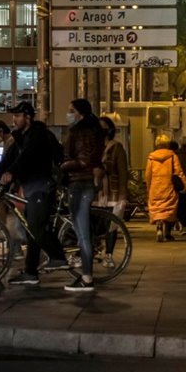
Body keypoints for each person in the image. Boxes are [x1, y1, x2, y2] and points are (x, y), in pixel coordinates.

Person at [0, 102, 69, 286]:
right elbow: (7, 161)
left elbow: (26, 157)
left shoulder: (38, 135)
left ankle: (58, 257)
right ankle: (31, 272)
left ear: (28, 117)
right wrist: (1, 171)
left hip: (42, 186)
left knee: (35, 226)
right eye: (13, 116)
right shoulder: (19, 138)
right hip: (29, 188)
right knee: (32, 233)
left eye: (17, 116)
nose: (14, 120)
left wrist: (11, 172)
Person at [60, 99, 105, 292]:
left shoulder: (82, 132)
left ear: (81, 114)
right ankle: (86, 275)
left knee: (82, 233)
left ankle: (87, 277)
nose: (68, 114)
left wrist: (63, 166)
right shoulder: (91, 131)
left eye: (71, 111)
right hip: (82, 182)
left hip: (80, 182)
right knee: (82, 231)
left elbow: (83, 160)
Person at [97, 116, 128, 268]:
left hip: (113, 194)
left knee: (112, 226)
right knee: (97, 224)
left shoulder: (117, 148)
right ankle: (96, 248)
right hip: (97, 194)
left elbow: (123, 173)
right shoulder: (95, 148)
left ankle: (108, 254)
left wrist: (123, 196)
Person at [145, 134, 186, 242]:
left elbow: (148, 175)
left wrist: (148, 187)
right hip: (169, 186)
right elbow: (179, 172)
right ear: (167, 144)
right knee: (169, 208)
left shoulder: (151, 157)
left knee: (157, 208)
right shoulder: (172, 156)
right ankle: (167, 233)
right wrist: (185, 186)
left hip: (155, 187)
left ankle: (159, 225)